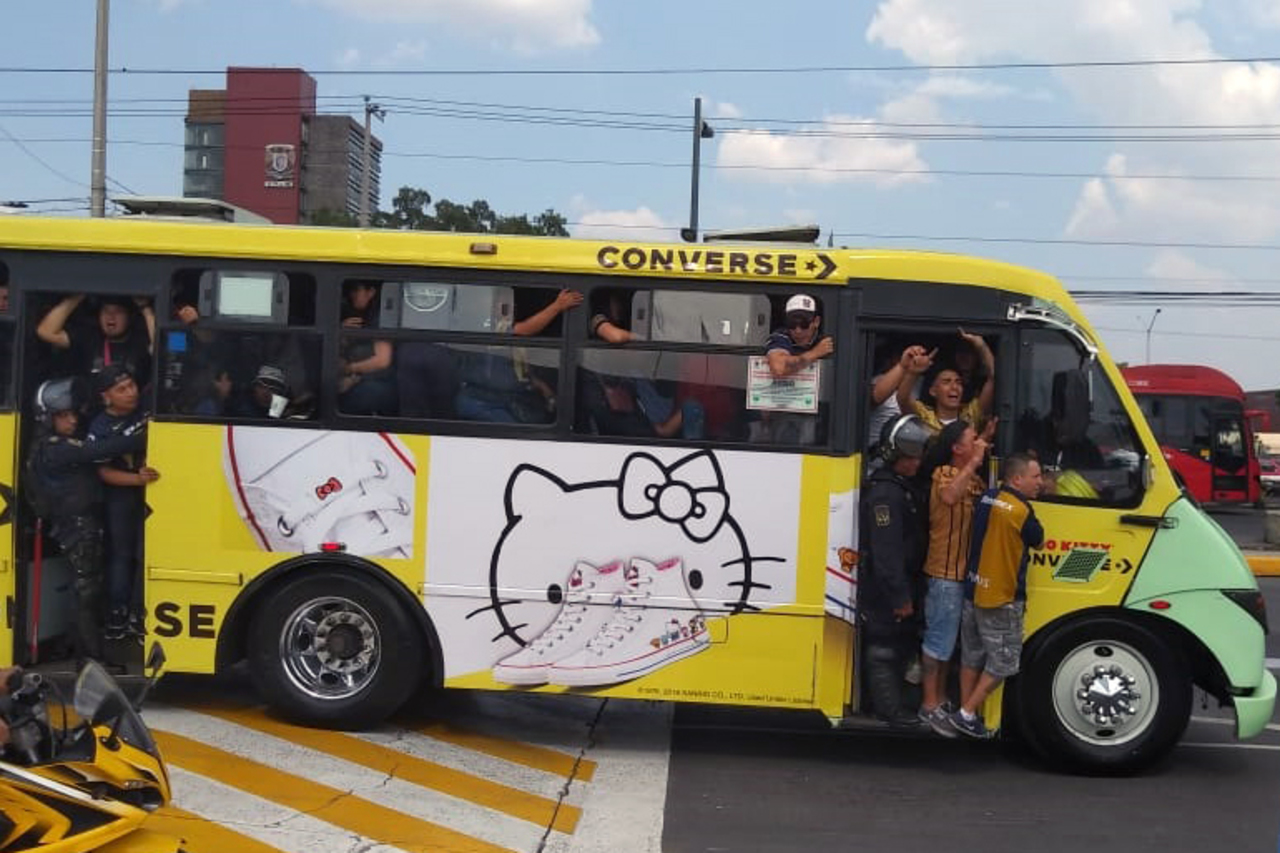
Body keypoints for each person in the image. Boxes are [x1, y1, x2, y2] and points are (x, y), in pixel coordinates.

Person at [29, 378, 146, 661]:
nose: (72, 420)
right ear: (48, 418)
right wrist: (148, 435)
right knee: (86, 592)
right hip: (77, 528)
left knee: (87, 590)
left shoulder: (60, 444)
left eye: (72, 414)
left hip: (84, 525)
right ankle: (89, 658)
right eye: (63, 416)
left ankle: (80, 650)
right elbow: (99, 451)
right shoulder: (55, 449)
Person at [950, 451, 1045, 738]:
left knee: (971, 655)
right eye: (1036, 476)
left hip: (974, 589)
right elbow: (1039, 541)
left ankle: (965, 712)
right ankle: (967, 713)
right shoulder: (1022, 511)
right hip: (1002, 598)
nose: (1040, 482)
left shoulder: (987, 498)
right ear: (1017, 479)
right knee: (1003, 663)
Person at [857, 413, 931, 727]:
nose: (916, 463)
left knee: (898, 643)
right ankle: (887, 710)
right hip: (886, 590)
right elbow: (886, 554)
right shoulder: (885, 494)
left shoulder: (899, 487)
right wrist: (900, 597)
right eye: (910, 457)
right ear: (893, 455)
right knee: (884, 646)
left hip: (902, 583)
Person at [916, 419, 989, 737]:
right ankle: (928, 704)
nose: (979, 444)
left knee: (949, 643)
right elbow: (948, 497)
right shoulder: (943, 474)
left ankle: (942, 698)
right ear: (957, 448)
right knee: (938, 641)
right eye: (972, 440)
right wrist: (974, 461)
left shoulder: (975, 480)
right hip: (943, 573)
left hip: (965, 574)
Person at [87, 365, 159, 642]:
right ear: (106, 397)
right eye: (121, 389)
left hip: (155, 492)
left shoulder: (148, 407)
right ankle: (118, 614)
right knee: (122, 555)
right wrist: (136, 479)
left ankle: (140, 615)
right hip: (121, 496)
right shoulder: (100, 427)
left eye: (131, 385)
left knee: (147, 554)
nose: (131, 392)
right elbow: (103, 472)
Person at [896, 329, 995, 436]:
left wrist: (981, 345)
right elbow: (902, 399)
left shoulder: (971, 415)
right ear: (933, 391)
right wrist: (913, 372)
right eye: (946, 381)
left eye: (958, 382)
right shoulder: (923, 415)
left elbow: (993, 377)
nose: (954, 386)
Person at [36, 295, 155, 383]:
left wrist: (145, 309)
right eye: (105, 310)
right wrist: (77, 297)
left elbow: (161, 347)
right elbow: (46, 332)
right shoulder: (89, 337)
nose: (110, 316)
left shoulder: (140, 341)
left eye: (118, 311)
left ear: (130, 317)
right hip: (94, 407)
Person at [338, 281, 397, 415]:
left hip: (378, 385)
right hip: (364, 380)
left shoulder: (379, 319)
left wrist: (348, 369)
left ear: (371, 292)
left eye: (356, 290)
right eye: (351, 291)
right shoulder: (360, 318)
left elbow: (382, 361)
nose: (352, 295)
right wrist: (341, 332)